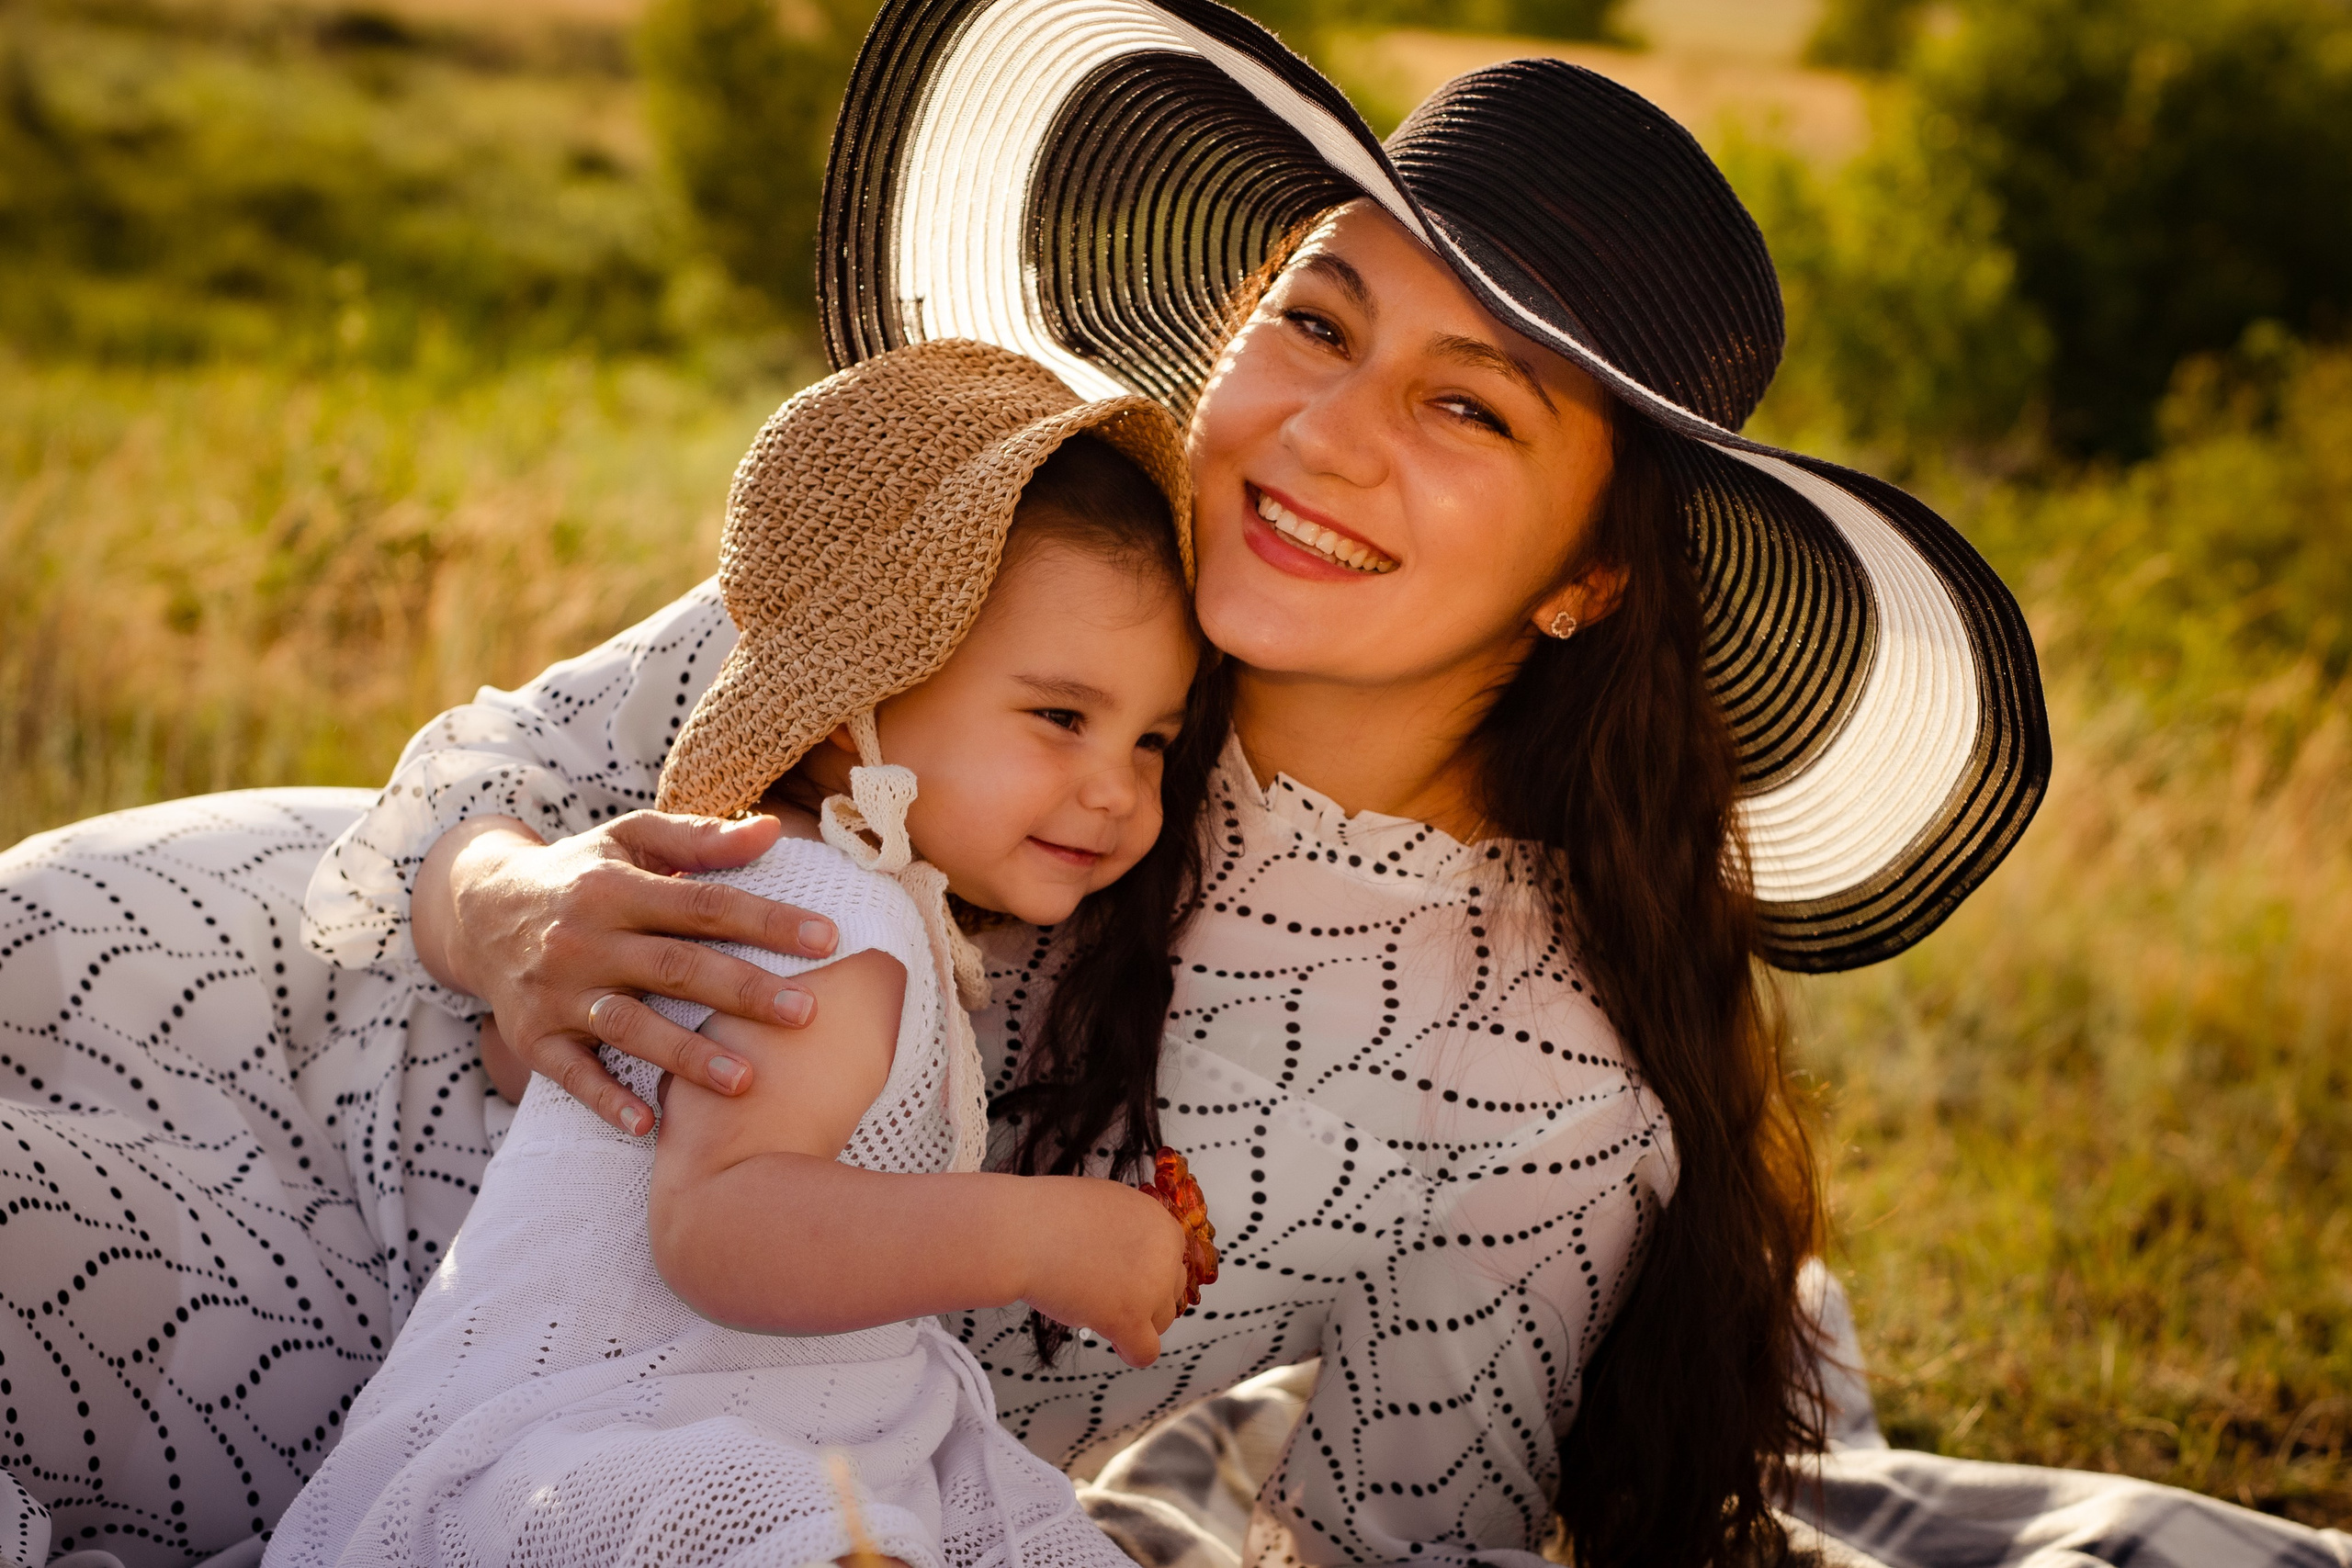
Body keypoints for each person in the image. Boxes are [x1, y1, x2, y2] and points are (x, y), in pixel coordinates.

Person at [14, 3, 2341, 1566]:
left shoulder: (1535, 1091)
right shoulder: (1009, 534)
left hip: (564, 1454)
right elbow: (492, 774)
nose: (1319, 432)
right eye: (1313, 318)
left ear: (1587, 574)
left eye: (1464, 405)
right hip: (229, 1039)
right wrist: (510, 903)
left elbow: (1398, 1538)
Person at [262, 338, 1211, 1568]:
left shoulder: (829, 897)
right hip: (610, 1446)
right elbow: (716, 1225)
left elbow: (560, 1094)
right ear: (859, 705)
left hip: (750, 1417)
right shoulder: (827, 922)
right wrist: (1036, 1236)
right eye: (1061, 718)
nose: (1116, 790)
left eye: (1151, 741)